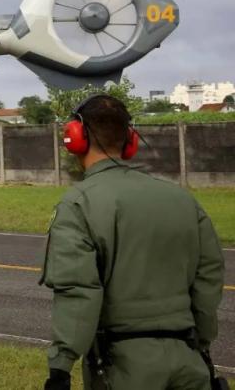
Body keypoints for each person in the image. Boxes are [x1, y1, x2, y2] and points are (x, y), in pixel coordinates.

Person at [41, 94, 226, 390]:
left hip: (122, 366)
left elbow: (78, 290)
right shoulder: (183, 200)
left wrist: (61, 367)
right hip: (188, 359)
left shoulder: (78, 204)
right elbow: (209, 277)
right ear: (130, 140)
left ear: (75, 137)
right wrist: (200, 342)